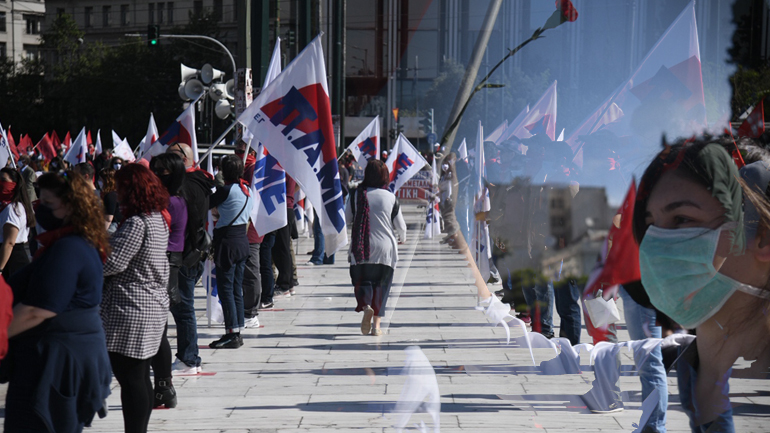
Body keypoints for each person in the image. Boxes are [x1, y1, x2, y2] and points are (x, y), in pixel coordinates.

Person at [633, 138, 770, 432]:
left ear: (763, 237)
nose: (656, 244)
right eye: (651, 223)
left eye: (681, 219)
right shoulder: (690, 368)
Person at [3, 170, 111, 432]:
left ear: (70, 206)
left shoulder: (69, 248)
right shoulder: (67, 242)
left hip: (58, 361)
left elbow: (37, 310)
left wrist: (1, 337)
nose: (41, 209)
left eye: (48, 204)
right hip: (53, 353)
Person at [102, 164, 169, 433]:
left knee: (131, 379)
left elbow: (113, 263)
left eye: (120, 188)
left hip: (132, 308)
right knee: (140, 377)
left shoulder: (136, 223)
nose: (116, 193)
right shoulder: (157, 218)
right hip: (149, 305)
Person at [166, 142, 214, 375]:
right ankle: (188, 357)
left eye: (170, 158)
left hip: (184, 253)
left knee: (183, 308)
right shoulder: (201, 181)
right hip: (191, 252)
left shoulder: (186, 185)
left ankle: (189, 359)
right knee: (183, 306)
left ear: (184, 159)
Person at [346, 160, 406, 336]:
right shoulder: (391, 197)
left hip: (361, 248)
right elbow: (401, 226)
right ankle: (377, 327)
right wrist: (403, 238)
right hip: (386, 249)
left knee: (362, 281)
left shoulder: (356, 195)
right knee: (382, 286)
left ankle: (366, 307)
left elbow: (346, 218)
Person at [149, 153, 188, 408]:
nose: (156, 175)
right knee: (158, 329)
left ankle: (164, 385)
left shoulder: (170, 202)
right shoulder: (174, 199)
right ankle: (163, 384)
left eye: (161, 171)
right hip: (166, 262)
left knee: (158, 330)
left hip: (163, 263)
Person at [208, 154, 252, 348]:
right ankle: (237, 329)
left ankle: (231, 334)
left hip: (227, 242)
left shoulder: (225, 190)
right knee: (236, 289)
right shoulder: (247, 189)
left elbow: (207, 204)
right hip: (242, 241)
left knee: (226, 289)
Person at [236, 140, 264, 328]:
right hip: (239, 227)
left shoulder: (254, 168)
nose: (238, 153)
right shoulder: (241, 167)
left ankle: (251, 312)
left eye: (240, 150)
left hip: (252, 228)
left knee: (251, 270)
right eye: (236, 150)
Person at [0, 167, 35, 279]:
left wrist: (0, 269)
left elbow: (9, 242)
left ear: (14, 184)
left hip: (12, 261)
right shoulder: (6, 206)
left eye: (3, 180)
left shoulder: (13, 208)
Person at [98, 168, 122, 233]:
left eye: (100, 179)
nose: (99, 181)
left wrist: (102, 233)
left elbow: (108, 218)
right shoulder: (116, 193)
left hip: (112, 227)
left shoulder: (110, 196)